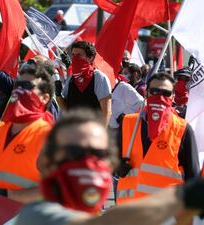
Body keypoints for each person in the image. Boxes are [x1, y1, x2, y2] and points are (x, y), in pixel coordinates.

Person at [13, 108, 204, 225]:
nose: (87, 163)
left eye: (98, 155)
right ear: (47, 161)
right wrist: (186, 195)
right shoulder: (37, 216)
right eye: (74, 152)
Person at [0, 27, 55, 203]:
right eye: (29, 63)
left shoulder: (50, 134)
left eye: (35, 64)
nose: (30, 64)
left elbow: (54, 187)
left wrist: (8, 196)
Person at [116, 72, 200, 203]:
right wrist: (117, 166)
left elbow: (193, 177)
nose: (159, 97)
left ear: (172, 97)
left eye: (165, 93)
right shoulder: (127, 123)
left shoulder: (182, 129)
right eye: (154, 91)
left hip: (164, 213)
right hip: (129, 211)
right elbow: (109, 158)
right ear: (146, 94)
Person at [57, 41, 112, 126]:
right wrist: (58, 94)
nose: (75, 58)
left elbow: (106, 111)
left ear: (90, 58)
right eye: (73, 55)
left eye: (79, 55)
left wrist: (100, 135)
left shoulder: (99, 78)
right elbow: (66, 109)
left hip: (92, 131)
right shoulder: (72, 79)